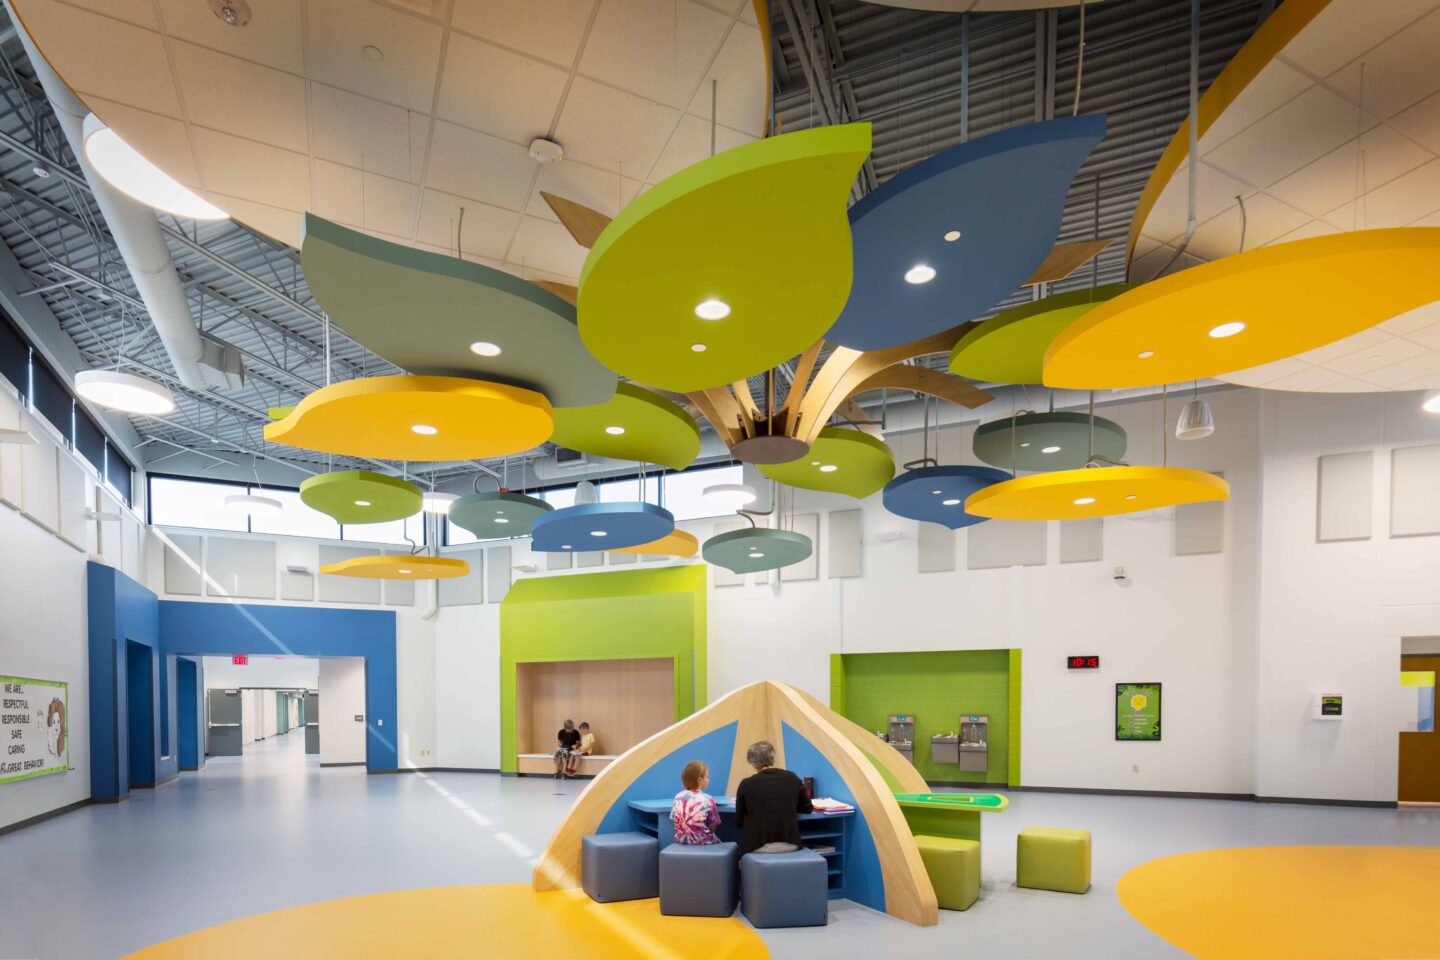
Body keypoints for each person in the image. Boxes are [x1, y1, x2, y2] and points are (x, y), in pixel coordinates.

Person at [734, 740, 812, 855]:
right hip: (791, 844)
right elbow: (807, 808)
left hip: (758, 846)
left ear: (752, 762)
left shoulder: (747, 784)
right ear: (773, 758)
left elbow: (739, 821)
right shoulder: (792, 778)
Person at [670, 760, 722, 845]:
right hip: (702, 842)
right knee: (721, 842)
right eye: (707, 777)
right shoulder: (708, 799)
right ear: (700, 780)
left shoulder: (677, 797)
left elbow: (674, 819)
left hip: (681, 841)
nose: (708, 779)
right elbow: (712, 827)